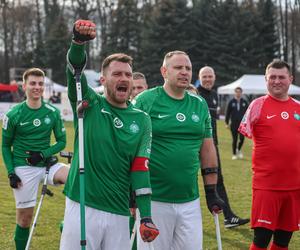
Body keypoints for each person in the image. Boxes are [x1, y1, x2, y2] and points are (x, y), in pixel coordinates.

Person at [60, 20, 159, 250]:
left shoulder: (142, 120)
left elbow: (140, 168)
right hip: (82, 204)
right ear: (103, 80)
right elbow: (74, 70)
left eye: (128, 74)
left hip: (118, 212)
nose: (124, 78)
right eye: (117, 74)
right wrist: (78, 43)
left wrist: (145, 216)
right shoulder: (90, 102)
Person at [133, 51, 224, 250]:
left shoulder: (199, 104)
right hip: (153, 200)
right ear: (164, 71)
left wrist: (211, 191)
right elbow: (128, 147)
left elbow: (207, 149)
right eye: (178, 68)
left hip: (190, 201)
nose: (184, 72)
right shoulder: (145, 100)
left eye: (188, 68)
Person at [1, 67, 69, 250]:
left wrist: (44, 154)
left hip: (47, 164)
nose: (37, 87)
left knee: (76, 177)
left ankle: (68, 223)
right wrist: (11, 173)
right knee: (24, 219)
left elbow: (62, 141)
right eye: (33, 83)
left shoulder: (52, 112)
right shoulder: (13, 114)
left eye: (40, 83)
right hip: (23, 168)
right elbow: (5, 146)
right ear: (24, 86)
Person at [239, 59, 300, 250]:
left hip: (295, 186)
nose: (277, 81)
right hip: (267, 186)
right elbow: (244, 132)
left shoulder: (299, 107)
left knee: (283, 240)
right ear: (266, 79)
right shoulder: (256, 106)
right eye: (272, 77)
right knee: (261, 239)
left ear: (290, 79)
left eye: (281, 77)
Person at [198, 66, 249, 228]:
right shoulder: (194, 94)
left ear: (214, 77)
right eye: (204, 76)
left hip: (212, 146)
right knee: (187, 181)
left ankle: (229, 217)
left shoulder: (214, 95)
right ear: (200, 78)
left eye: (210, 76)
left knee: (218, 180)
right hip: (193, 146)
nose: (207, 79)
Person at [225, 87, 248, 160]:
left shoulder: (244, 102)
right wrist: (226, 123)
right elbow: (227, 113)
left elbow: (248, 113)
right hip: (234, 124)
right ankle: (234, 154)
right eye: (237, 92)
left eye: (239, 92)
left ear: (241, 93)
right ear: (235, 93)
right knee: (234, 139)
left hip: (242, 124)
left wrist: (248, 123)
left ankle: (238, 149)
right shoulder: (231, 102)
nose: (238, 93)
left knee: (242, 138)